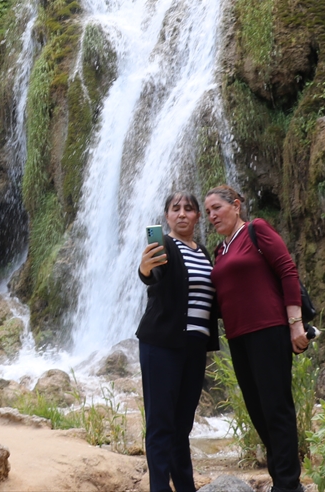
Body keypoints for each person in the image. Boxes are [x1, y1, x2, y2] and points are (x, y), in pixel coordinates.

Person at [206, 185, 308, 492]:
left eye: (217, 208)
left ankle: (289, 485)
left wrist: (295, 324)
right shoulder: (220, 251)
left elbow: (288, 271)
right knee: (259, 412)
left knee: (277, 409)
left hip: (269, 331)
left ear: (236, 206)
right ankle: (282, 480)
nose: (211, 215)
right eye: (208, 211)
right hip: (238, 339)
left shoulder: (256, 230)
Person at [137, 192, 219, 492]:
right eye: (176, 209)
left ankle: (185, 487)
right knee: (161, 425)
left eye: (189, 209)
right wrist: (145, 268)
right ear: (167, 216)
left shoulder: (204, 253)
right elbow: (152, 274)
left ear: (198, 216)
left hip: (195, 349)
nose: (182, 213)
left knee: (182, 426)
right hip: (161, 346)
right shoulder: (164, 246)